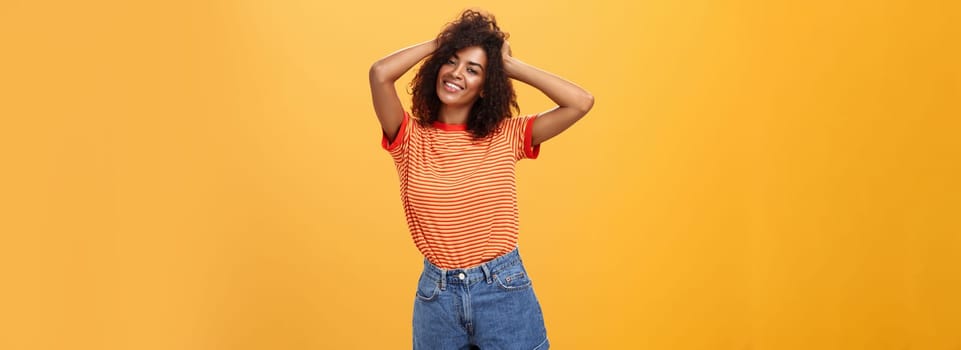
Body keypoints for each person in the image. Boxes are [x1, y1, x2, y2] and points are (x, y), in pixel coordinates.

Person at [369, 9, 593, 350]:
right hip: (437, 297)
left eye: (473, 70)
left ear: (486, 85)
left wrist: (510, 66)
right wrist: (438, 44)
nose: (457, 73)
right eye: (452, 61)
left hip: (502, 289)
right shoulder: (409, 138)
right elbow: (380, 73)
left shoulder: (506, 135)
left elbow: (580, 102)